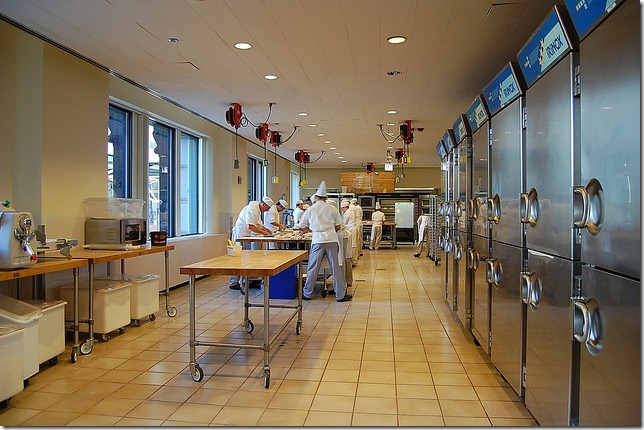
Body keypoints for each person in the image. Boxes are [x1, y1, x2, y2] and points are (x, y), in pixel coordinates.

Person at [298, 181, 352, 302]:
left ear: (316, 197)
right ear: (325, 197)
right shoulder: (332, 208)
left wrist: (312, 230)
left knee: (313, 267)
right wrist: (328, 230)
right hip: (331, 239)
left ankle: (307, 293)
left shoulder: (310, 209)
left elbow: (301, 226)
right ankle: (340, 295)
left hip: (317, 240)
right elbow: (338, 226)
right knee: (335, 268)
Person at [229, 197, 274, 292]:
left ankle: (248, 281)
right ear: (263, 204)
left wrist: (265, 229)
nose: (267, 210)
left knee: (246, 259)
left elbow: (256, 224)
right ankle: (234, 283)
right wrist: (264, 233)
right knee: (238, 259)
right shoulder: (252, 208)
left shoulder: (257, 210)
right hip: (240, 235)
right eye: (267, 208)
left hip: (246, 236)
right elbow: (250, 226)